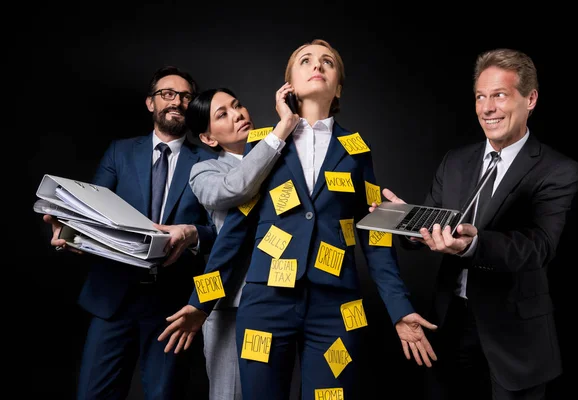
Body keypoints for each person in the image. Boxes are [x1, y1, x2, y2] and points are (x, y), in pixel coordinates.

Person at [158, 39, 437, 400]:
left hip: (337, 308)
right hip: (265, 304)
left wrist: (400, 310)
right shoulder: (264, 143)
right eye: (305, 60)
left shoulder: (357, 149)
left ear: (337, 86)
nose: (316, 65)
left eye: (327, 62)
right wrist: (201, 302)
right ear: (289, 82)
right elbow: (236, 235)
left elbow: (375, 236)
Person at [375, 49, 578, 399]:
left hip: (515, 338)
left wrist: (473, 245)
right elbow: (433, 219)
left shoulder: (558, 170)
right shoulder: (455, 161)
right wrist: (404, 220)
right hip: (449, 325)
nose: (487, 108)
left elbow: (539, 247)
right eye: (480, 97)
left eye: (499, 95)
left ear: (530, 99)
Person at [43, 66, 217, 399]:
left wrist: (193, 234)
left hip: (172, 306)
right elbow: (93, 210)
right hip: (113, 297)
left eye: (185, 97)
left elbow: (222, 232)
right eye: (167, 94)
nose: (176, 102)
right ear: (151, 103)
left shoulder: (208, 161)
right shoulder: (119, 152)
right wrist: (68, 230)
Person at [185, 85, 301, 400]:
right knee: (229, 394)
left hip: (283, 296)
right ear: (209, 138)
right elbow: (237, 187)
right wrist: (279, 133)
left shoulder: (285, 156)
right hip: (231, 302)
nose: (238, 115)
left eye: (237, 105)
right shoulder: (203, 171)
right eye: (222, 114)